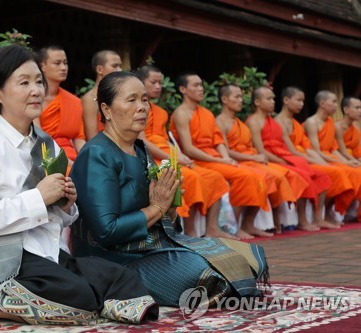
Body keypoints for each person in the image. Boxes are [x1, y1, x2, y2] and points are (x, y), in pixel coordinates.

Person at [0, 46, 158, 327]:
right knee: (78, 296)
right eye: (24, 82)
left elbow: (59, 216)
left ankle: (71, 301)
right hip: (5, 258)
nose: (36, 90)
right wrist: (39, 198)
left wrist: (66, 203)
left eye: (39, 81)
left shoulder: (47, 144)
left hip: (47, 254)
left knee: (124, 279)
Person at [70, 71, 269, 308]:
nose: (142, 107)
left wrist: (170, 207)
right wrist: (157, 207)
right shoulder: (97, 155)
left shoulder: (140, 150)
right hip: (112, 260)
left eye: (144, 100)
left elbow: (162, 216)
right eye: (131, 100)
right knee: (208, 274)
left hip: (148, 246)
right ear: (107, 110)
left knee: (245, 258)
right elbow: (107, 231)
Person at [170, 72, 271, 238]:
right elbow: (188, 149)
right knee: (242, 176)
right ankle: (225, 227)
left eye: (201, 85)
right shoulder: (181, 113)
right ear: (183, 89)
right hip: (198, 159)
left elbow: (217, 141)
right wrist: (219, 159)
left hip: (214, 158)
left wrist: (226, 158)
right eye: (196, 85)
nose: (201, 88)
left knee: (248, 175)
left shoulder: (207, 113)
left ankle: (222, 227)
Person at [135, 65, 231, 238]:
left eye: (160, 83)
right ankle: (190, 232)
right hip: (153, 158)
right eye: (153, 82)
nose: (158, 86)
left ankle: (212, 228)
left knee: (215, 177)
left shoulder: (162, 112)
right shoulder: (138, 109)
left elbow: (165, 140)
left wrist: (179, 156)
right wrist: (172, 159)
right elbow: (143, 141)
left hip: (168, 155)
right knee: (191, 178)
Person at [216, 84, 309, 233]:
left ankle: (252, 223)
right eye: (237, 97)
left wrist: (256, 156)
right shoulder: (220, 121)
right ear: (225, 99)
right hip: (242, 161)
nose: (241, 100)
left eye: (241, 97)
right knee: (264, 177)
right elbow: (226, 150)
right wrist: (255, 156)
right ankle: (238, 226)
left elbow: (249, 146)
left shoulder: (239, 123)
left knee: (277, 176)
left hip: (251, 159)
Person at [246, 87, 335, 229]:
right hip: (271, 158)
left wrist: (289, 159)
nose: (273, 102)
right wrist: (281, 161)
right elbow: (260, 150)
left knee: (321, 176)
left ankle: (318, 218)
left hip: (284, 156)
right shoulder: (253, 122)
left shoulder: (273, 122)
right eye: (269, 99)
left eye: (273, 98)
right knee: (303, 177)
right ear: (257, 102)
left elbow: (288, 148)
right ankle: (302, 220)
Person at [275, 87, 357, 219]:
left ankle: (326, 213)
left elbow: (311, 149)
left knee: (343, 171)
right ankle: (319, 216)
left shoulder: (298, 123)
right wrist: (327, 163)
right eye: (299, 100)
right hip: (293, 159)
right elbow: (295, 151)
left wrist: (340, 161)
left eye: (303, 101)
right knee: (335, 172)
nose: (302, 104)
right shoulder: (295, 122)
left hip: (309, 158)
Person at [302, 91, 361, 216]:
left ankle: (331, 211)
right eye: (333, 102)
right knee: (341, 172)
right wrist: (339, 162)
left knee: (352, 169)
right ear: (322, 103)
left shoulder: (329, 122)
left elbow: (333, 149)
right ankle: (325, 214)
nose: (336, 105)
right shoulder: (311, 122)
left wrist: (347, 162)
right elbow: (316, 150)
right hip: (315, 158)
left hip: (329, 157)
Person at [35, 45, 85, 165]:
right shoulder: (34, 99)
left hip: (71, 157)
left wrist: (87, 160)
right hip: (44, 156)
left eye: (65, 63)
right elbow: (38, 139)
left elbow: (79, 138)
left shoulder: (74, 101)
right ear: (43, 66)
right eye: (57, 63)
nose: (63, 68)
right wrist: (67, 163)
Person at [82, 50, 122, 140]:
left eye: (120, 66)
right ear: (99, 69)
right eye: (115, 66)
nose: (119, 70)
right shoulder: (90, 99)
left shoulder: (119, 96)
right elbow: (92, 137)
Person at [336, 96, 361, 163]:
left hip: (353, 159)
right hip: (340, 160)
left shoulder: (356, 129)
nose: (360, 111)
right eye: (357, 108)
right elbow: (343, 152)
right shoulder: (337, 127)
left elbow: (358, 153)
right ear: (346, 110)